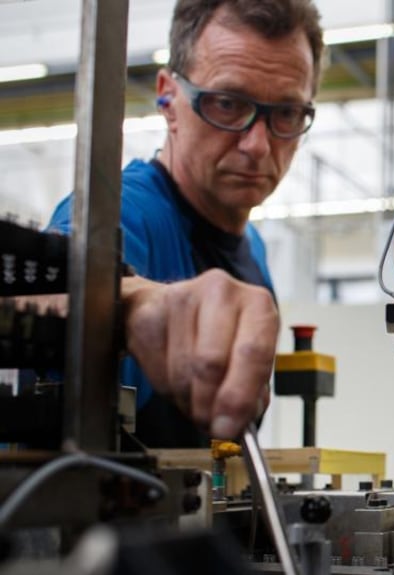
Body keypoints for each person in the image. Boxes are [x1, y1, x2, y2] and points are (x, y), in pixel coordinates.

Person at [48, 0, 324, 447]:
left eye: (287, 114)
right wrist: (130, 300)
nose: (257, 145)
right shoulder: (119, 213)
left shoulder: (253, 248)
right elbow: (34, 295)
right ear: (169, 99)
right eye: (228, 104)